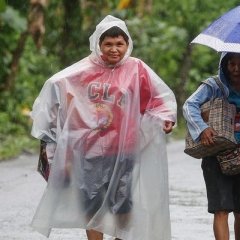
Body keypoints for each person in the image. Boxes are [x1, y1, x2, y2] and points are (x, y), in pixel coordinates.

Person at [30, 15, 177, 240]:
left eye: (119, 43)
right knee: (91, 205)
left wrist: (165, 117)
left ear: (128, 45)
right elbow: (56, 85)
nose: (114, 49)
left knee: (123, 207)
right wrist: (47, 127)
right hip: (89, 152)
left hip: (125, 150)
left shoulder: (136, 69)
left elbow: (157, 100)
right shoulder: (84, 70)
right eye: (108, 44)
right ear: (98, 45)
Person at [183, 52, 240, 240]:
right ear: (224, 65)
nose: (236, 68)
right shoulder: (213, 86)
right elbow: (189, 105)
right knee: (221, 210)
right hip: (215, 157)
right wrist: (202, 128)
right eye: (231, 63)